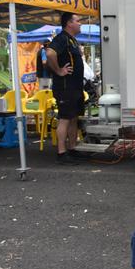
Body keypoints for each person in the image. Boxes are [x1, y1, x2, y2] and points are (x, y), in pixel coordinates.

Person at [46, 12, 85, 165]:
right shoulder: (61, 38)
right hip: (65, 87)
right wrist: (58, 70)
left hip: (75, 87)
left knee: (74, 117)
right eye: (78, 20)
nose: (80, 23)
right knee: (65, 118)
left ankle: (72, 148)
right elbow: (50, 53)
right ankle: (61, 153)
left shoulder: (72, 40)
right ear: (69, 23)